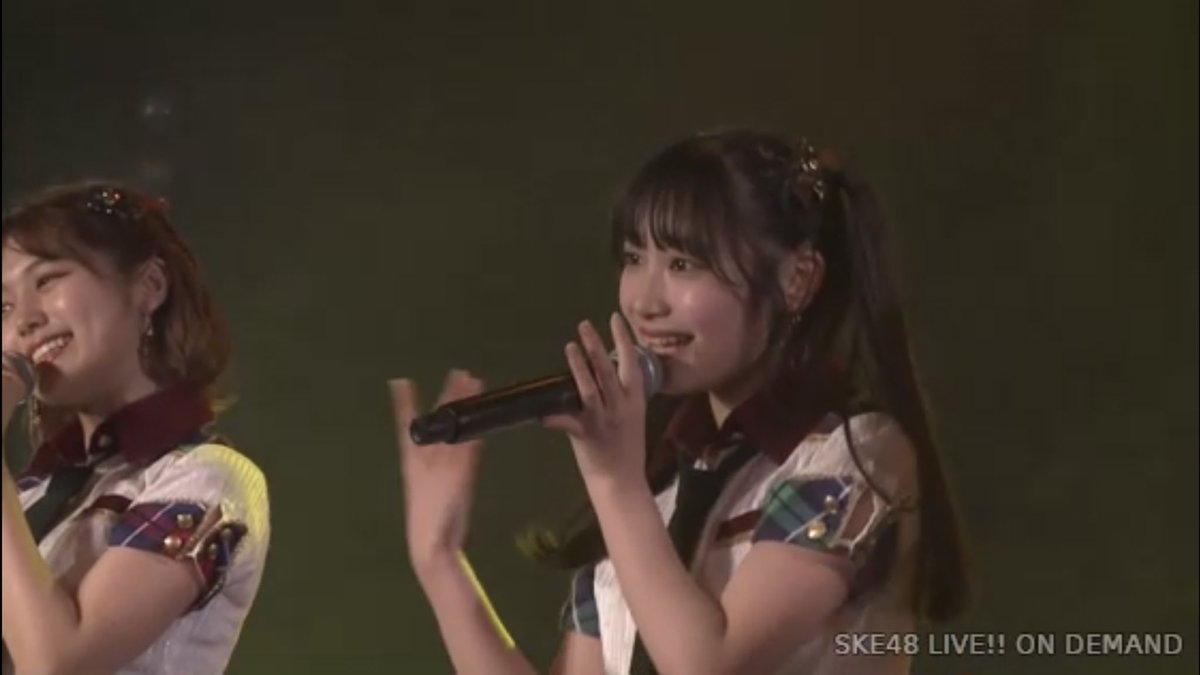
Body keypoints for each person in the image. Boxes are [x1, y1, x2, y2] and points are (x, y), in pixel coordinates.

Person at [392, 129, 969, 674]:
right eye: (633, 258)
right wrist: (440, 561)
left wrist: (614, 480)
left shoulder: (852, 456)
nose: (644, 302)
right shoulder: (658, 493)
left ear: (797, 278)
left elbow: (706, 664)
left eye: (683, 265)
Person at [1, 182, 270, 674]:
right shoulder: (29, 493)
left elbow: (57, 662)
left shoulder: (204, 478)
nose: (24, 321)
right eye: (3, 307)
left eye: (48, 280)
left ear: (150, 285)